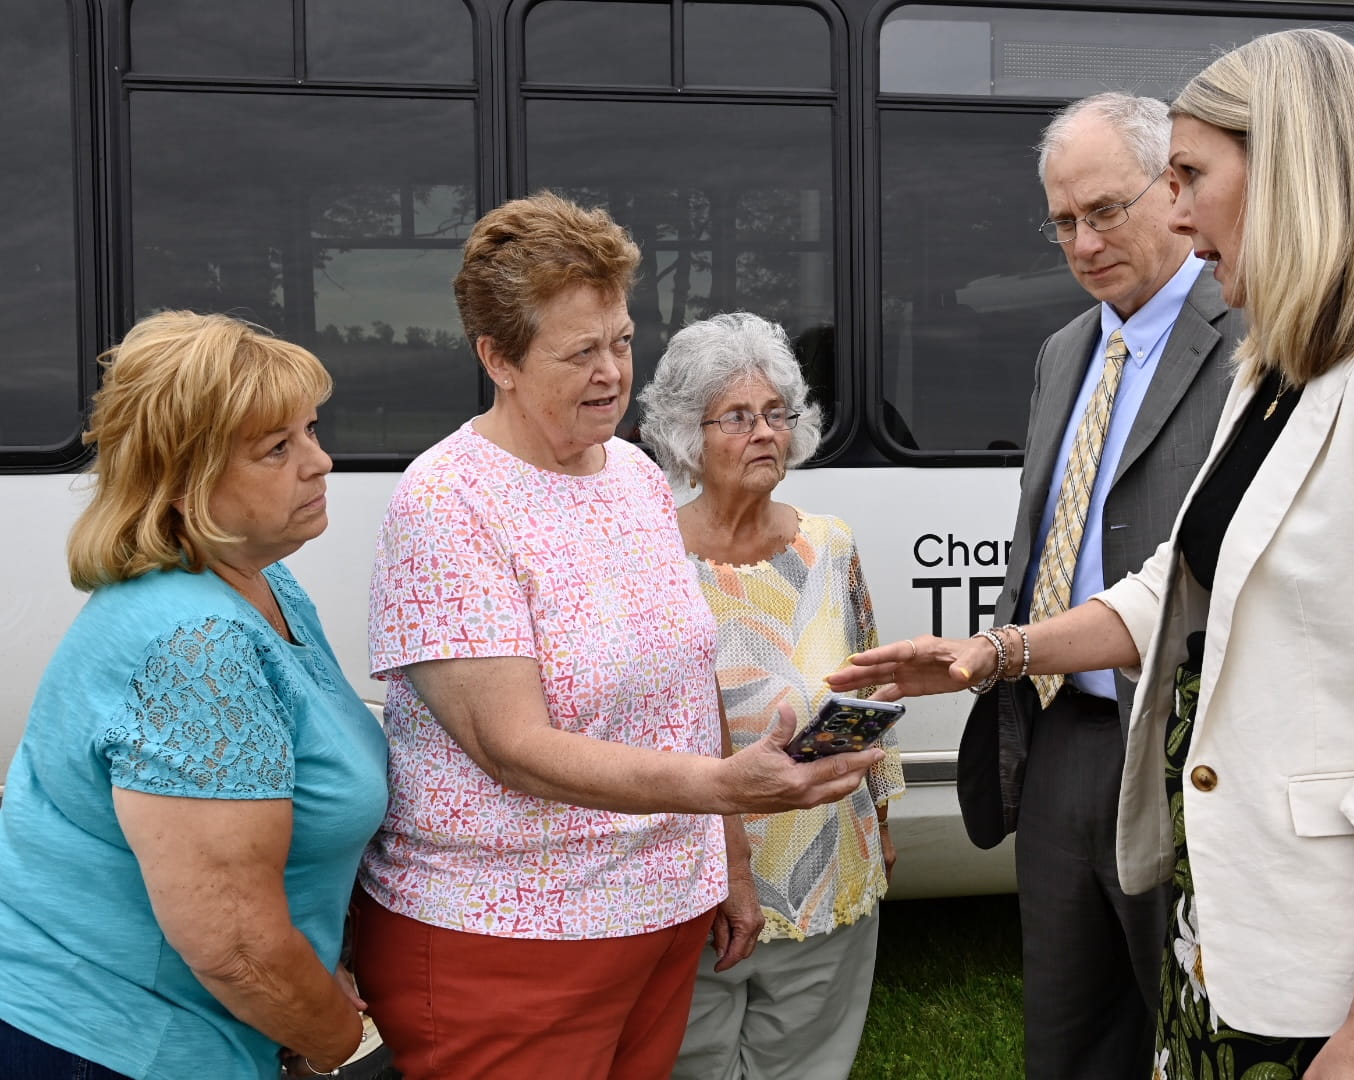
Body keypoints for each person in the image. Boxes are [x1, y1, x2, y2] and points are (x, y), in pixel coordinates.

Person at [832, 29, 1354, 1080]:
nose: (1175, 213)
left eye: (1190, 177)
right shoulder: (1284, 365)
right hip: (1242, 933)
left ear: (1296, 166)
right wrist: (999, 654)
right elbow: (1180, 581)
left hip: (1349, 973)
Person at [355, 192, 884, 1080]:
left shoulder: (634, 474)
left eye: (622, 341)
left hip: (660, 920)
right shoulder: (447, 502)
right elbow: (511, 748)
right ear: (498, 358)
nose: (612, 373)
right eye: (579, 352)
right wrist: (725, 785)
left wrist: (729, 862)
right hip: (513, 942)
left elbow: (689, 681)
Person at [0, 311, 387, 1079]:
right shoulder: (193, 648)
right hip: (114, 1042)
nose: (320, 462)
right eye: (278, 448)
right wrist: (338, 1037)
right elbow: (238, 950)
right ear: (182, 478)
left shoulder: (258, 579)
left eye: (310, 430)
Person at [954, 92, 1236, 1079]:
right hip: (1064, 737)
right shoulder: (1065, 351)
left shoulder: (1253, 335)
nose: (1083, 242)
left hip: (1188, 753)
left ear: (1176, 189)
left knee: (1196, 1027)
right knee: (1071, 1040)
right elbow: (1042, 539)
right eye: (1064, 220)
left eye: (1105, 210)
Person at [639, 312, 906, 1080]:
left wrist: (879, 820)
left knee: (809, 1063)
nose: (763, 433)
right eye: (737, 418)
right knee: (692, 1062)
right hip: (696, 876)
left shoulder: (829, 543)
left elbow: (872, 685)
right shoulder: (652, 555)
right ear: (689, 434)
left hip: (830, 857)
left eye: (775, 413)